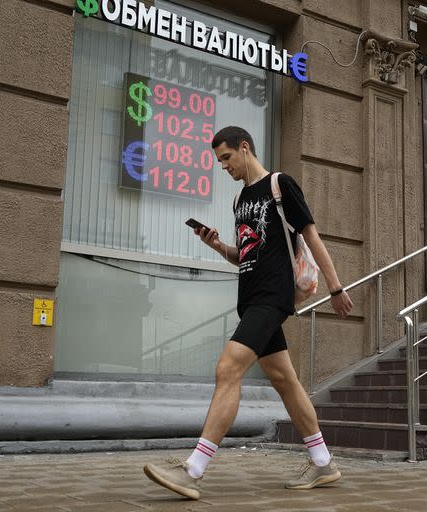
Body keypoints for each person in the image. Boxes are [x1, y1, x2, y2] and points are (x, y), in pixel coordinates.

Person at [143, 126, 354, 500]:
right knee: (284, 380)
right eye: (219, 161)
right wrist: (218, 245)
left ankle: (193, 470)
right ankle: (323, 463)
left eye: (226, 158)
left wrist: (336, 288)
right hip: (251, 299)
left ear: (244, 148)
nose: (223, 166)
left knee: (227, 369)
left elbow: (311, 236)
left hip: (272, 298)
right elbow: (246, 256)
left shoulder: (280, 185)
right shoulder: (240, 200)